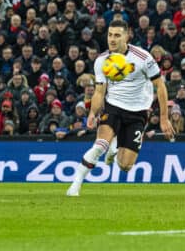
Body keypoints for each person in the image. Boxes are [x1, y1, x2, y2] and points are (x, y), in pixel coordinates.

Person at [67, 20, 174, 196]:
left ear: (127, 36)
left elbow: (160, 86)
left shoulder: (143, 58)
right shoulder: (102, 60)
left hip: (138, 112)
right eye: (110, 35)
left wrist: (164, 118)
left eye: (117, 35)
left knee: (125, 165)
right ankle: (76, 184)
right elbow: (100, 91)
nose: (112, 39)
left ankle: (115, 145)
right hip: (113, 107)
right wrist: (93, 113)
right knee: (99, 145)